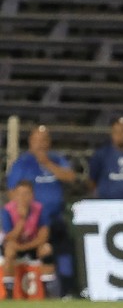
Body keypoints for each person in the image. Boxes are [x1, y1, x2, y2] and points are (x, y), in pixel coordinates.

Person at [6, 125, 77, 297]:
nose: (40, 144)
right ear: (30, 141)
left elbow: (71, 177)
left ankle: (65, 292)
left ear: (49, 142)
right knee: (42, 251)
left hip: (56, 218)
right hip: (33, 221)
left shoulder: (56, 160)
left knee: (63, 255)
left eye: (44, 140)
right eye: (37, 140)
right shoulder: (22, 163)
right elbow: (12, 191)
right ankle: (14, 291)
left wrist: (47, 164)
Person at [1, 180, 53, 296]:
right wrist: (22, 220)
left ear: (32, 195)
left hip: (32, 244)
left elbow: (43, 236)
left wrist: (24, 247)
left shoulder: (39, 209)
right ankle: (9, 290)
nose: (23, 198)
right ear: (14, 195)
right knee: (9, 251)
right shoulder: (7, 210)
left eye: (26, 194)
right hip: (15, 246)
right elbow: (9, 237)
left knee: (46, 249)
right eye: (20, 194)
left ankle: (48, 290)